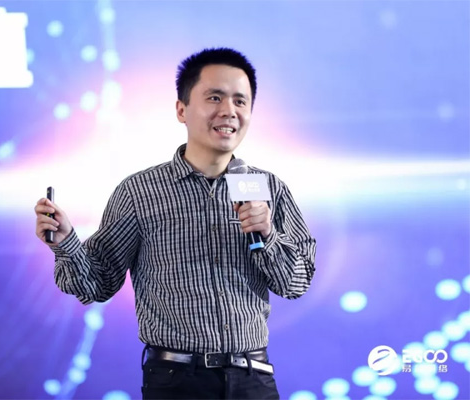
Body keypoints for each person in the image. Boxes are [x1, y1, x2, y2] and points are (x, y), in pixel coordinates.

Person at [34, 47, 316, 399]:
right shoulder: (140, 191)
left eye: (240, 101)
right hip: (176, 380)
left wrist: (267, 235)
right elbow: (98, 284)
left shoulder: (268, 188)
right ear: (182, 110)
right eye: (215, 97)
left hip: (252, 379)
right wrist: (66, 242)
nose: (229, 111)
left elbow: (296, 283)